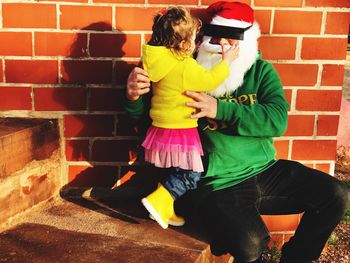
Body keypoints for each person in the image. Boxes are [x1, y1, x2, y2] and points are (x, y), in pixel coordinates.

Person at [124, 2, 350, 263]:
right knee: (251, 244)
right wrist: (133, 96)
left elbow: (277, 120)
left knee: (336, 195)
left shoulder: (261, 71)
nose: (221, 45)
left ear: (247, 40)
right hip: (218, 181)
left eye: (230, 37)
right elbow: (149, 123)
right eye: (215, 35)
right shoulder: (184, 70)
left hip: (264, 169)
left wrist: (220, 109)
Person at [139, 6, 239, 230]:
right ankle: (159, 200)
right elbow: (210, 80)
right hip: (181, 129)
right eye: (194, 38)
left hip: (160, 129)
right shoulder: (184, 66)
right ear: (185, 44)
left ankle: (166, 208)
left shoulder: (158, 61)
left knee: (172, 170)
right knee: (191, 174)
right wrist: (227, 61)